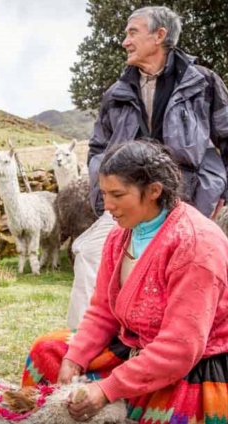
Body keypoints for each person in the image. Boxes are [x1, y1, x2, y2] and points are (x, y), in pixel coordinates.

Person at [23, 140, 228, 422]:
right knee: (46, 352)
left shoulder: (196, 244)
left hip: (189, 365)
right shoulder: (120, 235)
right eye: (105, 194)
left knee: (163, 416)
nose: (107, 206)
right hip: (132, 348)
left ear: (154, 191)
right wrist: (76, 357)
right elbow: (103, 310)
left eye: (117, 195)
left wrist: (107, 389)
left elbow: (181, 347)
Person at [66, 5, 228, 329]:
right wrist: (105, 195)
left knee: (184, 271)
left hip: (188, 199)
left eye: (132, 32)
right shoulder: (117, 92)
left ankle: (182, 351)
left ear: (160, 36)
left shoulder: (203, 83)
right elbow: (99, 147)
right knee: (87, 252)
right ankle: (83, 350)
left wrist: (217, 193)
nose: (124, 41)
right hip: (132, 200)